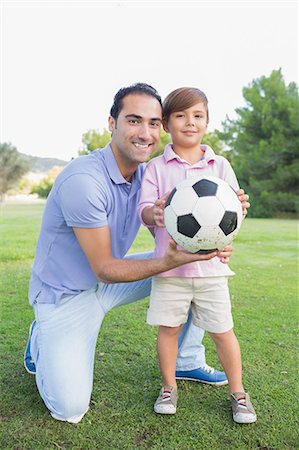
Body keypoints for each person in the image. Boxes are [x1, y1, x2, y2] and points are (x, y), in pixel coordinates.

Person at [24, 83, 248, 424]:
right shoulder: (84, 180)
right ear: (112, 124)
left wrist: (226, 216)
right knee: (69, 409)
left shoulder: (149, 172)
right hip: (68, 294)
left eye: (154, 122)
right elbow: (104, 268)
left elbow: (196, 197)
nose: (145, 133)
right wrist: (168, 261)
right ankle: (41, 340)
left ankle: (187, 359)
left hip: (109, 279)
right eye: (133, 121)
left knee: (192, 271)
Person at [138, 87, 256, 424]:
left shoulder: (219, 165)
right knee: (168, 330)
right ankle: (168, 386)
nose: (190, 122)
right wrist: (155, 214)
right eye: (180, 115)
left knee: (223, 331)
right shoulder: (157, 169)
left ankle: (238, 392)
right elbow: (144, 210)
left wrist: (235, 222)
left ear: (207, 121)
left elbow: (233, 211)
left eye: (198, 115)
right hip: (170, 269)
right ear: (165, 123)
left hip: (212, 270)